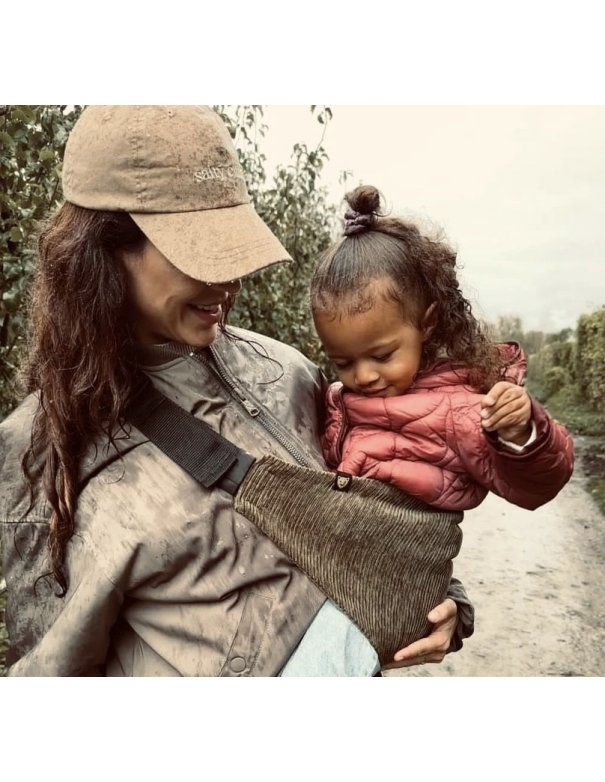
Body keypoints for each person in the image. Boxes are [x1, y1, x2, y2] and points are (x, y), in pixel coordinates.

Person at [0, 105, 473, 677]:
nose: (226, 281)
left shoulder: (287, 371)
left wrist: (442, 598)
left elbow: (361, 511)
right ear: (105, 251)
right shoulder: (46, 446)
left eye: (231, 251)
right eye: (197, 254)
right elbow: (51, 669)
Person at [279, 185, 575, 675]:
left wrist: (522, 432)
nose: (364, 376)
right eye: (342, 361)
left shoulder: (459, 409)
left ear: (427, 324)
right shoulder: (342, 399)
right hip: (341, 560)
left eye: (382, 355)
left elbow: (538, 484)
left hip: (395, 569)